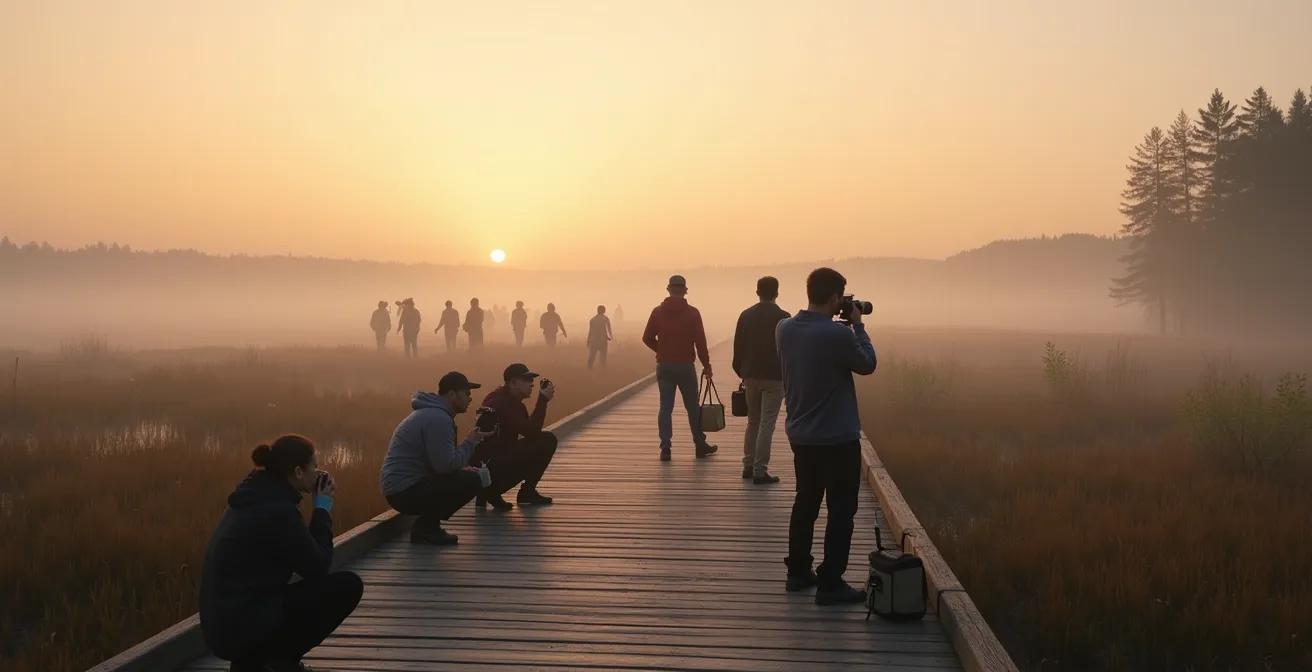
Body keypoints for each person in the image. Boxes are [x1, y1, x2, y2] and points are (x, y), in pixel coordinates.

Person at [200, 435, 364, 672]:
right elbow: (317, 567)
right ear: (298, 472)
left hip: (226, 624)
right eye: (314, 466)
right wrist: (322, 509)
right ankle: (278, 662)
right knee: (347, 586)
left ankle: (254, 662)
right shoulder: (276, 510)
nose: (318, 472)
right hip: (240, 627)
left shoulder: (257, 493)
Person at [776, 267, 877, 606]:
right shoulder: (839, 335)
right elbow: (867, 364)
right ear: (835, 297)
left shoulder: (784, 329)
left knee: (805, 503)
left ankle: (798, 573)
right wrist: (858, 324)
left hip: (801, 435)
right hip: (837, 438)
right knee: (840, 509)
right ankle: (830, 582)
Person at [380, 372, 493, 545]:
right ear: (452, 394)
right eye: (467, 393)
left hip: (403, 488)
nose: (470, 399)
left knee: (468, 475)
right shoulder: (437, 419)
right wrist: (470, 443)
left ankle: (427, 526)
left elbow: (440, 463)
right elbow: (444, 466)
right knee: (472, 481)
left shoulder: (434, 414)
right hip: (403, 491)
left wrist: (462, 464)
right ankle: (426, 528)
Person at [642, 274, 718, 461]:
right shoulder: (693, 313)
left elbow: (647, 338)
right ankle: (699, 444)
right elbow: (700, 342)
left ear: (668, 290)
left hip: (665, 365)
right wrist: (707, 365)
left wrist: (661, 350)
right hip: (685, 366)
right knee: (692, 407)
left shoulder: (657, 312)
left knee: (665, 407)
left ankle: (665, 448)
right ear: (684, 291)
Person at [471, 363, 559, 510]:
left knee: (530, 445)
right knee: (547, 440)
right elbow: (532, 432)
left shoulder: (499, 399)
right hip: (490, 470)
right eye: (527, 380)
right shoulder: (503, 404)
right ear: (513, 383)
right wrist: (542, 400)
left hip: (485, 469)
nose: (532, 384)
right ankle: (523, 492)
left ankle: (488, 492)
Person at [732, 276, 790, 485]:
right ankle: (760, 469)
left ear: (757, 292)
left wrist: (741, 370)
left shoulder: (745, 316)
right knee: (767, 423)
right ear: (777, 292)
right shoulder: (784, 318)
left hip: (750, 375)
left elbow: (738, 347)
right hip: (775, 377)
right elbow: (788, 350)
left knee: (752, 421)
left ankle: (747, 465)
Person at [587, 305, 613, 369]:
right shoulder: (605, 318)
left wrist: (588, 340)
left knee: (592, 355)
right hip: (602, 340)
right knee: (603, 356)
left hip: (593, 340)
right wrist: (610, 337)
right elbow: (608, 328)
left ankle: (589, 367)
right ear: (604, 311)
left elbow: (590, 331)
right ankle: (602, 369)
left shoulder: (593, 319)